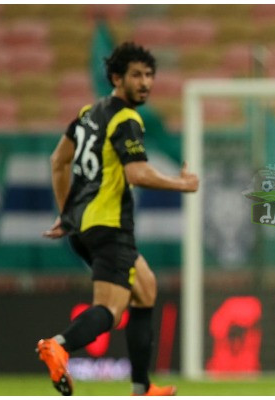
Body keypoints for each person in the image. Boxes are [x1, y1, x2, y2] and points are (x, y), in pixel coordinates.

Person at [38, 42, 199, 396]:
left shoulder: (86, 114)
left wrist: (68, 214)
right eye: (136, 75)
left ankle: (142, 386)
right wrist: (182, 183)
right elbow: (137, 174)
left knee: (145, 289)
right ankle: (59, 345)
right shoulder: (126, 118)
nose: (145, 83)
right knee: (110, 309)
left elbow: (58, 161)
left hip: (83, 227)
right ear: (116, 78)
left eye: (149, 75)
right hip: (109, 228)